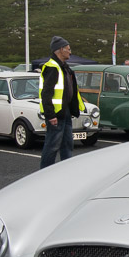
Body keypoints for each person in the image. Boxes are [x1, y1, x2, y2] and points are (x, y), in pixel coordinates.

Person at [39, 36, 86, 169]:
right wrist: (50, 114)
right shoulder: (52, 68)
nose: (70, 52)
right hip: (56, 114)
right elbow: (46, 93)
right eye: (68, 49)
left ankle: (66, 171)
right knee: (52, 145)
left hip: (65, 112)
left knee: (67, 144)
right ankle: (44, 173)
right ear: (60, 49)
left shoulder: (64, 68)